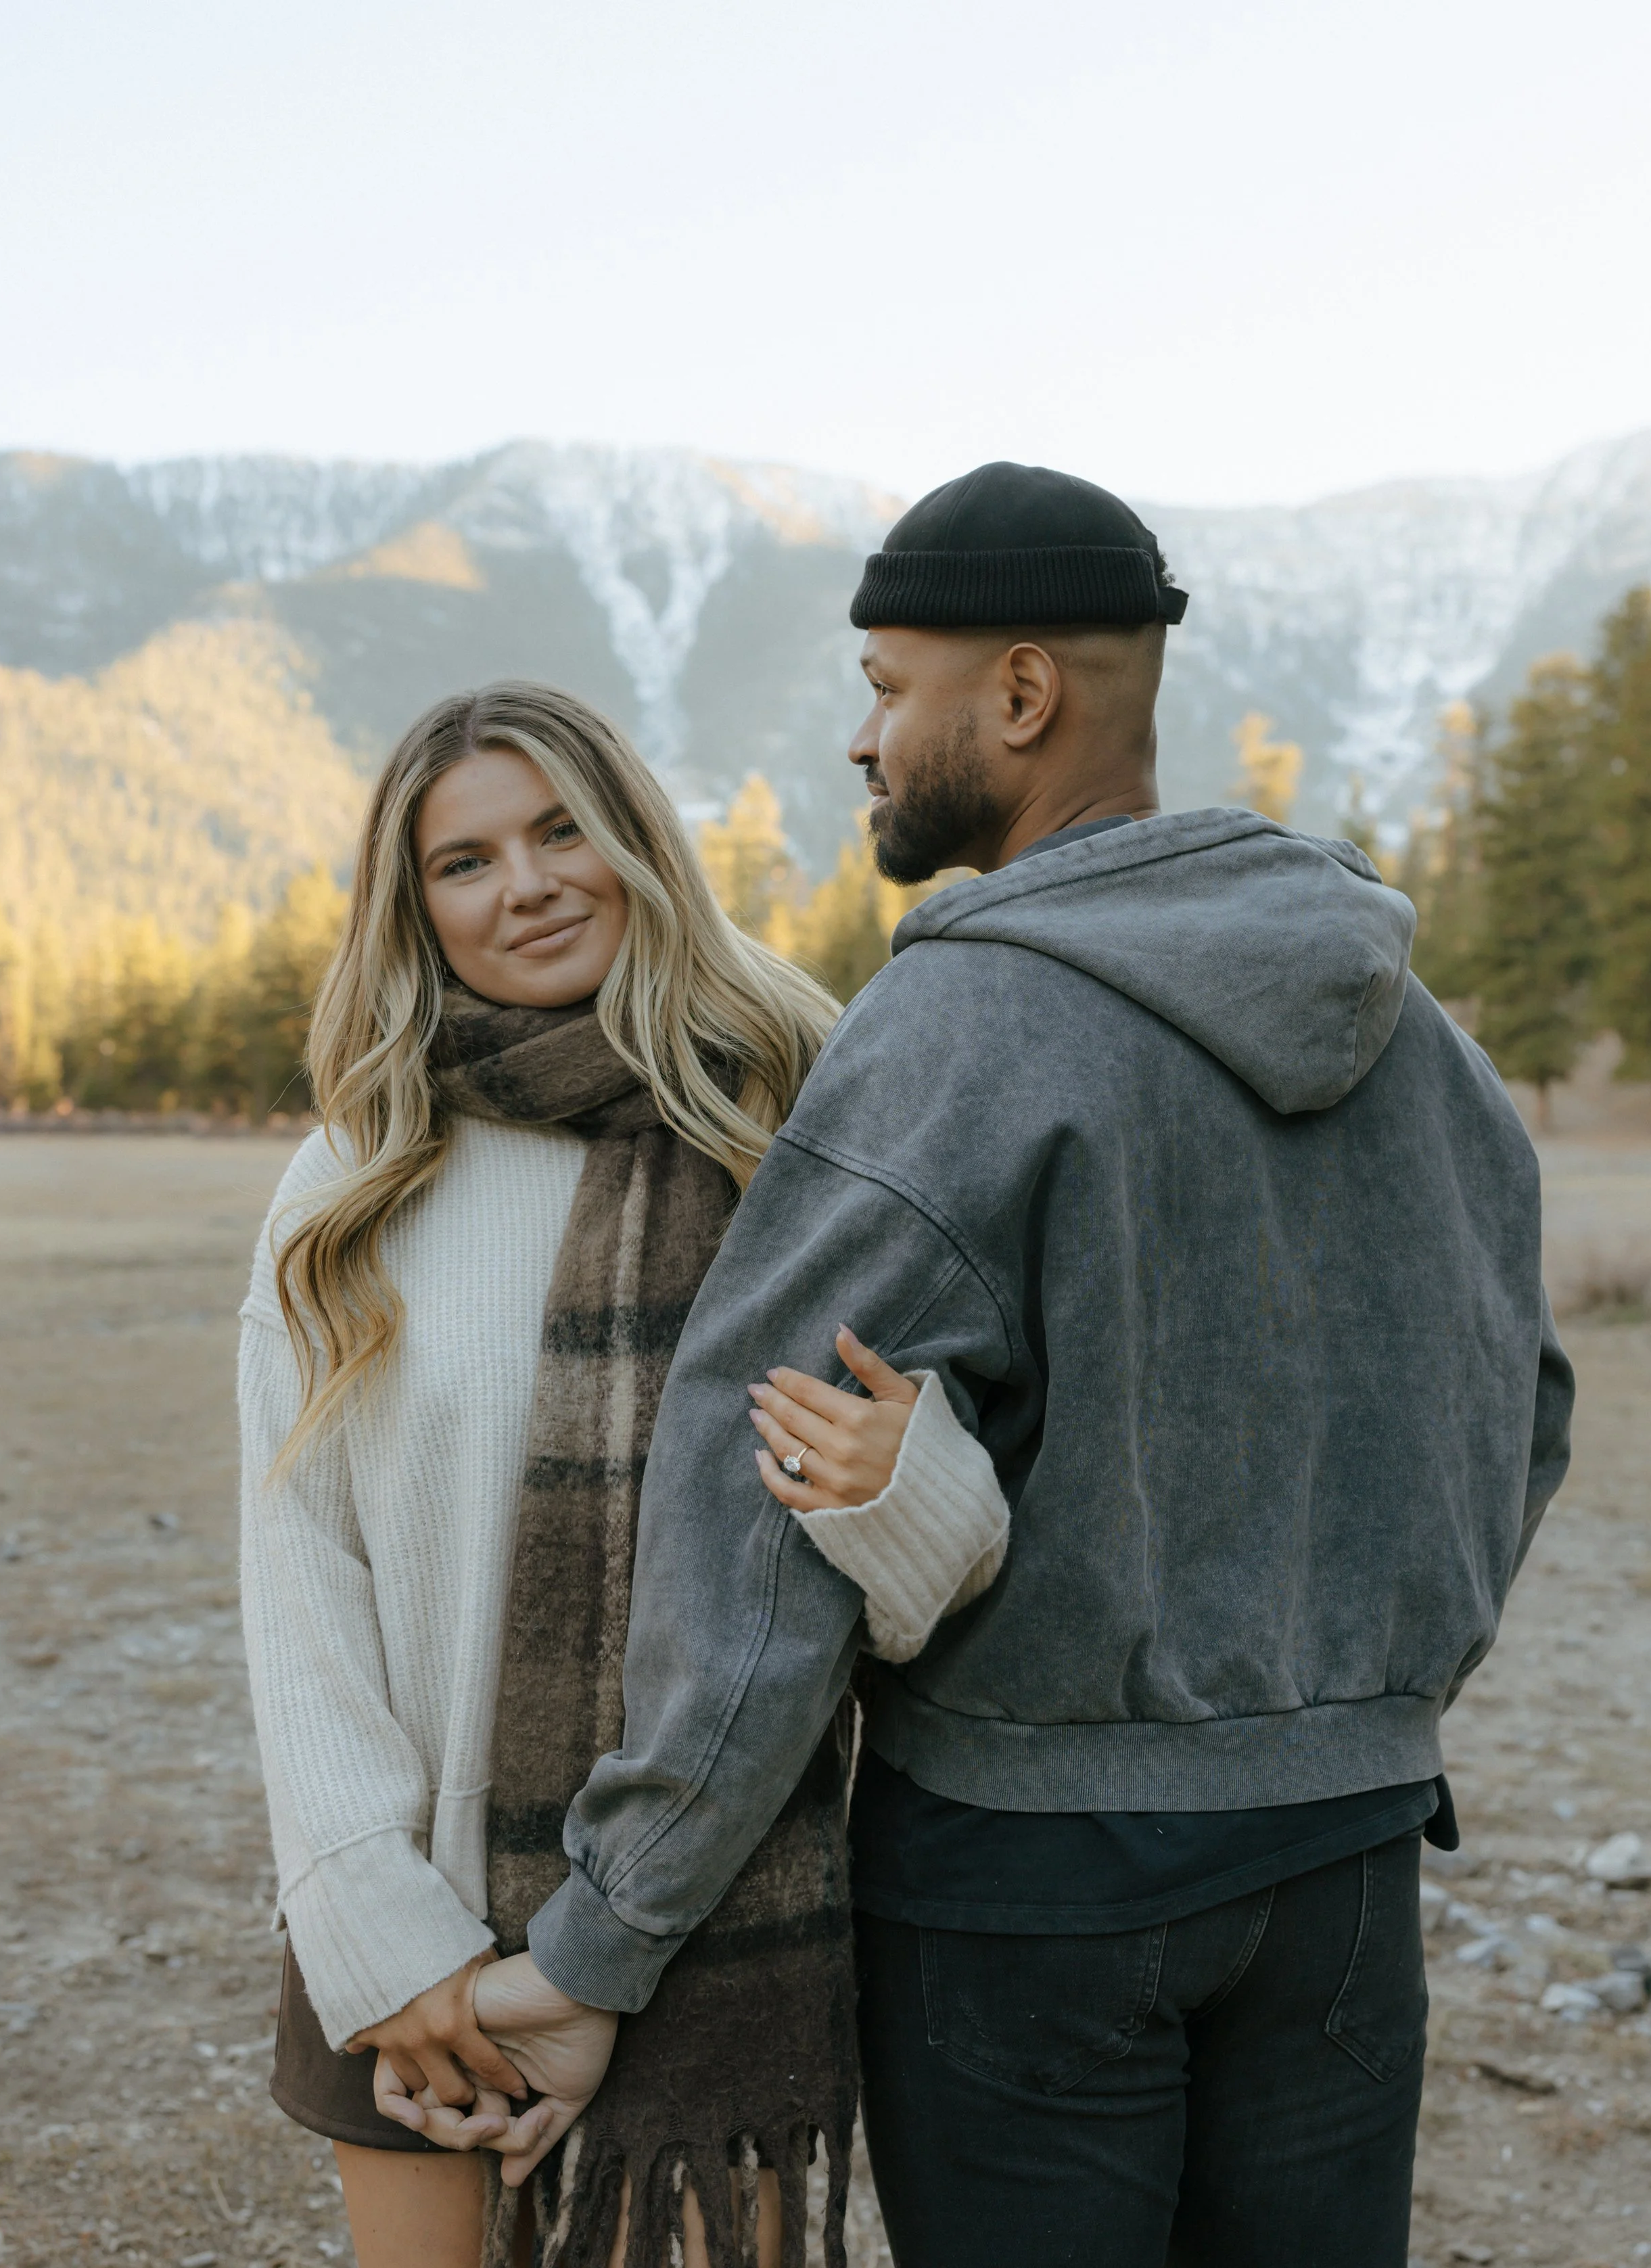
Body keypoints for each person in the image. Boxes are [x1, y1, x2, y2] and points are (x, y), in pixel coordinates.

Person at [452, 465, 1576, 2268]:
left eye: (892, 687)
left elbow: (755, 1515)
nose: (862, 737)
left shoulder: (958, 1023)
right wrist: (1346, 1693)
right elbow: (1519, 1406)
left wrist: (605, 1941)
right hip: (1351, 1862)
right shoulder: (1416, 1031)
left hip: (1033, 1887)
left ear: (1023, 697)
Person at [237, 681, 1008, 2268]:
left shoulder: (796, 1130)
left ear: (638, 843)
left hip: (710, 1920)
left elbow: (940, 1592)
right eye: (463, 861)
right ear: (414, 904)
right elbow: (298, 1571)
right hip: (411, 1917)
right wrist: (376, 1930)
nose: (523, 884)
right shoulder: (354, 1177)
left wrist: (904, 1485)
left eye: (560, 829)